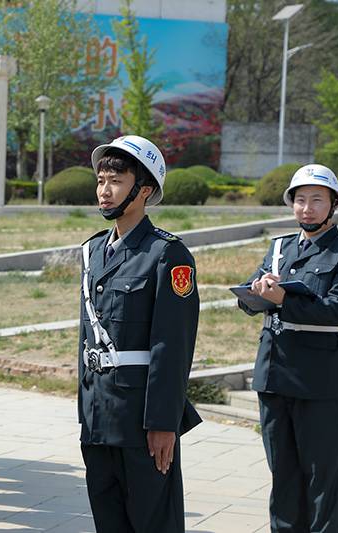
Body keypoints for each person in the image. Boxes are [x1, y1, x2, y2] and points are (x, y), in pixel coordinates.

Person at [238, 164, 338, 533]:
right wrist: (255, 292)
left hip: (317, 379)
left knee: (323, 477)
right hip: (273, 373)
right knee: (282, 474)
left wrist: (283, 299)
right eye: (300, 200)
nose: (307, 208)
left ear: (333, 205)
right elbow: (248, 301)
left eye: (317, 200)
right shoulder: (279, 248)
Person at [78, 135, 202, 533]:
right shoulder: (93, 251)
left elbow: (173, 346)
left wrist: (164, 422)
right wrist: (85, 412)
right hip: (98, 417)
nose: (104, 190)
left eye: (116, 181)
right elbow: (87, 338)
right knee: (108, 522)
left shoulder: (167, 254)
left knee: (153, 523)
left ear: (144, 190)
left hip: (141, 421)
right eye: (101, 180)